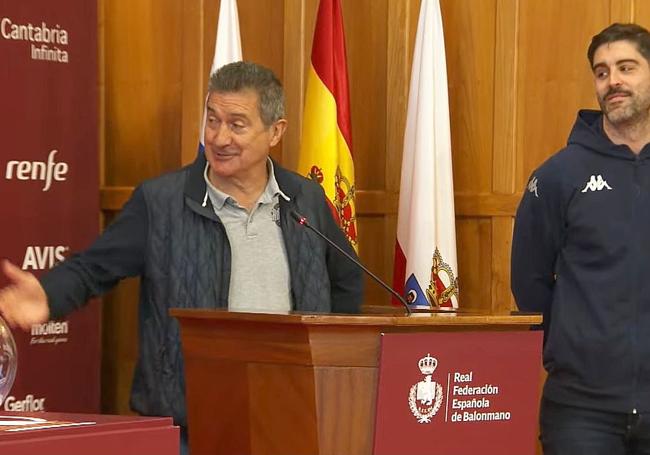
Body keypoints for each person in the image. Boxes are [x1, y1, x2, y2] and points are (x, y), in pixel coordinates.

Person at [0, 61, 363, 452]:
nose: (219, 137)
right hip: (189, 425)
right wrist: (48, 295)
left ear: (276, 131)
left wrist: (332, 371)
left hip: (293, 417)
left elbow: (346, 280)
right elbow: (93, 269)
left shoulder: (304, 199)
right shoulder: (161, 202)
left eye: (237, 124)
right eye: (212, 120)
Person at [512, 23, 650, 454]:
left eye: (627, 67)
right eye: (602, 71)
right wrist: (577, 348)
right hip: (580, 411)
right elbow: (530, 284)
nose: (614, 81)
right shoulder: (558, 176)